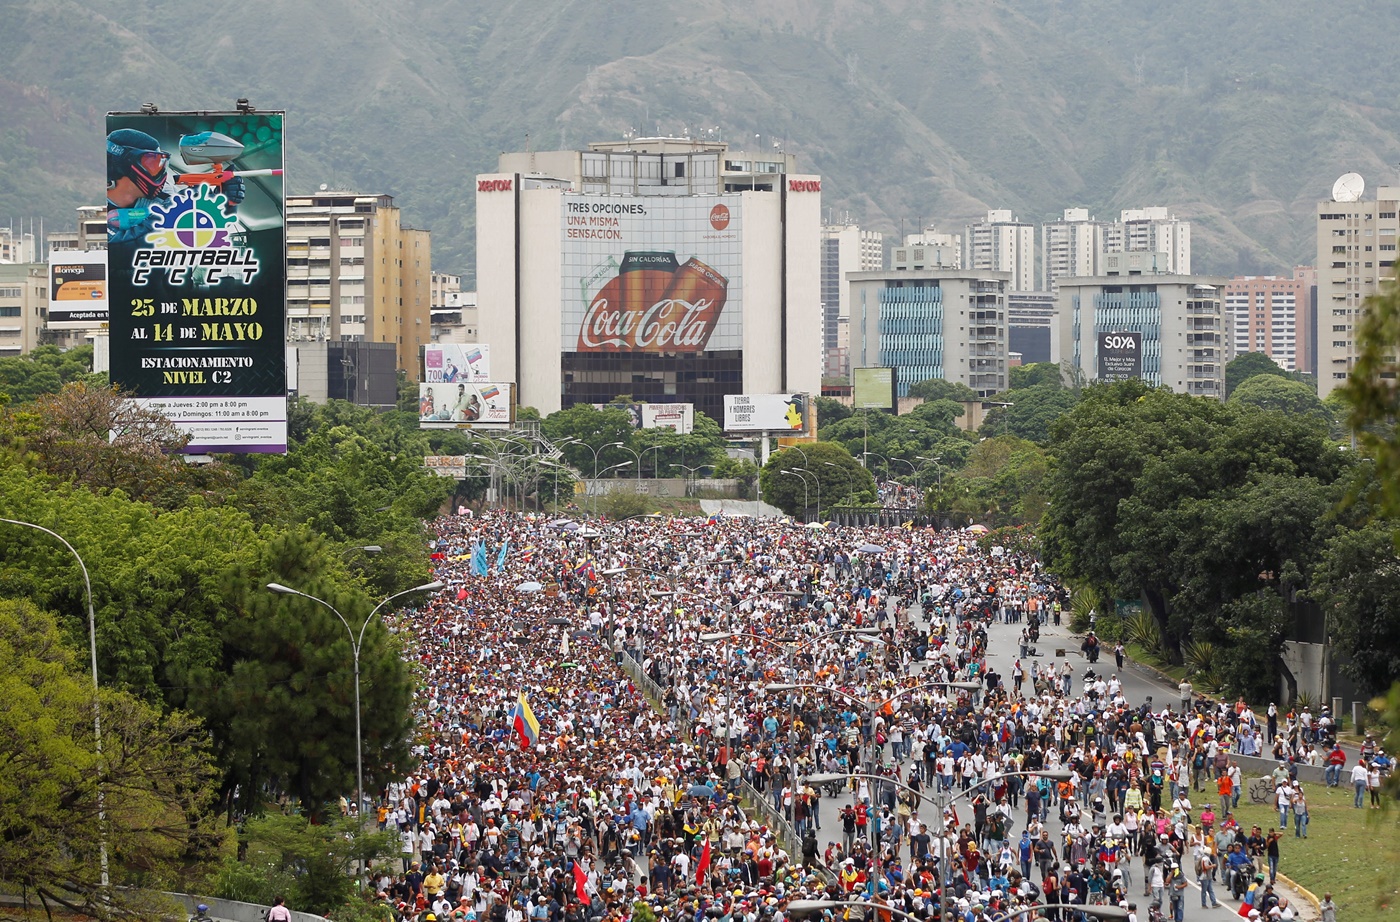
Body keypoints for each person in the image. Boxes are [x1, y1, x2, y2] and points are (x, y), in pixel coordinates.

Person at [106, 128, 172, 244]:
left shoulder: (167, 196)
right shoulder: (94, 207)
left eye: (160, 164)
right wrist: (167, 217)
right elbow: (120, 244)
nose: (159, 174)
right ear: (118, 168)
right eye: (150, 164)